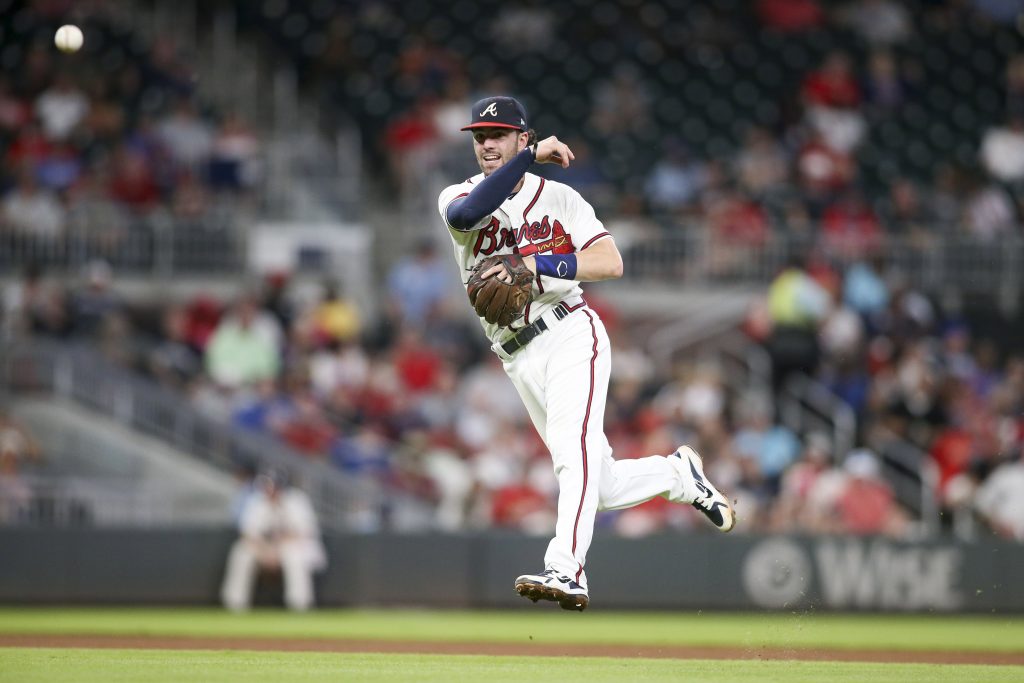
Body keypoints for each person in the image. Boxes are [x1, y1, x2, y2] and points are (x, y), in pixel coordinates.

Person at [436, 96, 735, 611]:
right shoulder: (457, 195)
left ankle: (566, 568)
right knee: (599, 483)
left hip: (570, 332)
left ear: (521, 138)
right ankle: (676, 475)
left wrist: (536, 263)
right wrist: (526, 163)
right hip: (514, 354)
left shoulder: (563, 200)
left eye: (499, 134)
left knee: (572, 459)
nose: (486, 143)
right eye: (480, 136)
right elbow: (469, 214)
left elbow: (609, 261)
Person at [220, 470, 327, 611]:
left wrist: (275, 549)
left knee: (293, 555)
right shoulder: (257, 500)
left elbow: (303, 532)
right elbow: (247, 532)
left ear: (280, 487)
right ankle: (234, 603)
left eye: (271, 486)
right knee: (241, 552)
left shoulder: (297, 500)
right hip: (265, 548)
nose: (268, 490)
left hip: (297, 547)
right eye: (266, 486)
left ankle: (299, 604)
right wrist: (266, 551)